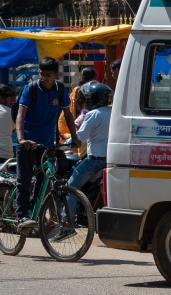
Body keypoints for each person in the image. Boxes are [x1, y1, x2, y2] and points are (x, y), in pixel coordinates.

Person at [15, 57, 77, 229]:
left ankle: (33, 214)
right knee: (24, 179)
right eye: (41, 74)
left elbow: (68, 114)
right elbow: (20, 116)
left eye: (48, 75)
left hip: (47, 143)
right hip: (28, 141)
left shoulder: (59, 89)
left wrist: (75, 137)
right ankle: (22, 215)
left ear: (56, 75)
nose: (44, 78)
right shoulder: (31, 89)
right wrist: (21, 139)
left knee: (44, 180)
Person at [60, 81, 113, 239]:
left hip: (95, 161)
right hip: (110, 159)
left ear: (90, 100)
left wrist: (59, 146)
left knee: (70, 188)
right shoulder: (113, 112)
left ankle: (67, 225)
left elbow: (79, 138)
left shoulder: (93, 115)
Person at [59, 66, 97, 141]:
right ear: (93, 78)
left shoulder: (76, 89)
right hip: (84, 120)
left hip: (77, 120)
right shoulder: (91, 90)